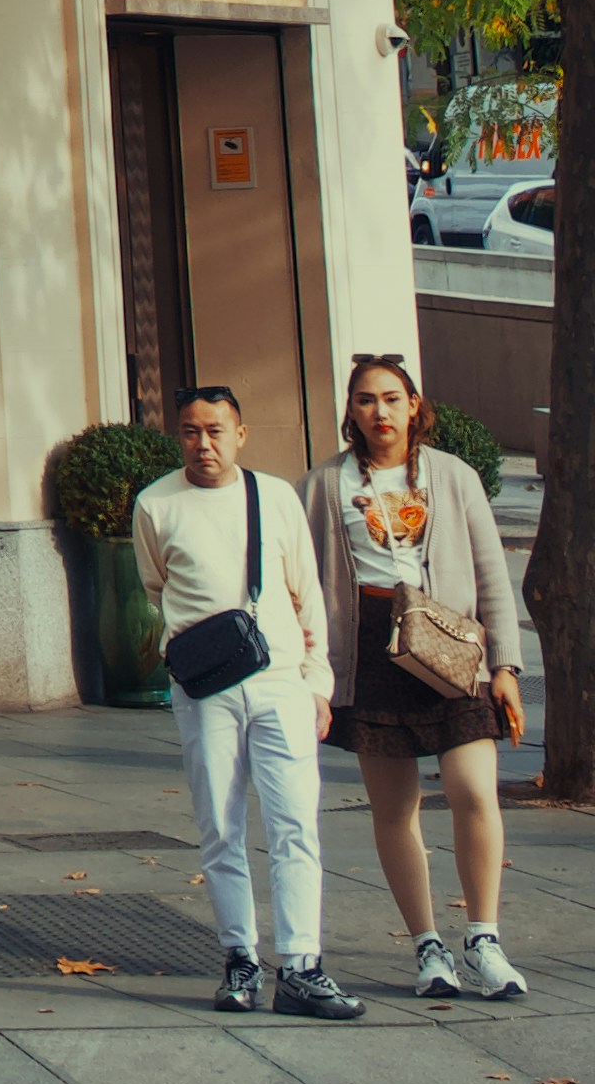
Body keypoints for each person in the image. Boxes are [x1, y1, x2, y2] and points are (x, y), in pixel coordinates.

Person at [131, 382, 361, 1020]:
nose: (203, 444)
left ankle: (303, 966)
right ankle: (240, 960)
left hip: (280, 679)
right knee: (219, 827)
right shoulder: (156, 504)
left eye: (215, 431)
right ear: (178, 436)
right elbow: (157, 585)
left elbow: (307, 591)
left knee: (295, 824)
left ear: (240, 433)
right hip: (205, 689)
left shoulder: (275, 496)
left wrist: (319, 684)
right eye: (190, 432)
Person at [313, 351, 529, 1003]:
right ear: (351, 412)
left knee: (473, 793)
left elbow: (492, 576)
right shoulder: (324, 485)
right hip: (371, 653)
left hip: (450, 648)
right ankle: (428, 946)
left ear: (414, 406)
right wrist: (313, 676)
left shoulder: (453, 477)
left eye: (391, 398)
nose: (379, 411)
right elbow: (305, 580)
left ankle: (484, 939)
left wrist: (508, 668)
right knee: (395, 807)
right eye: (365, 400)